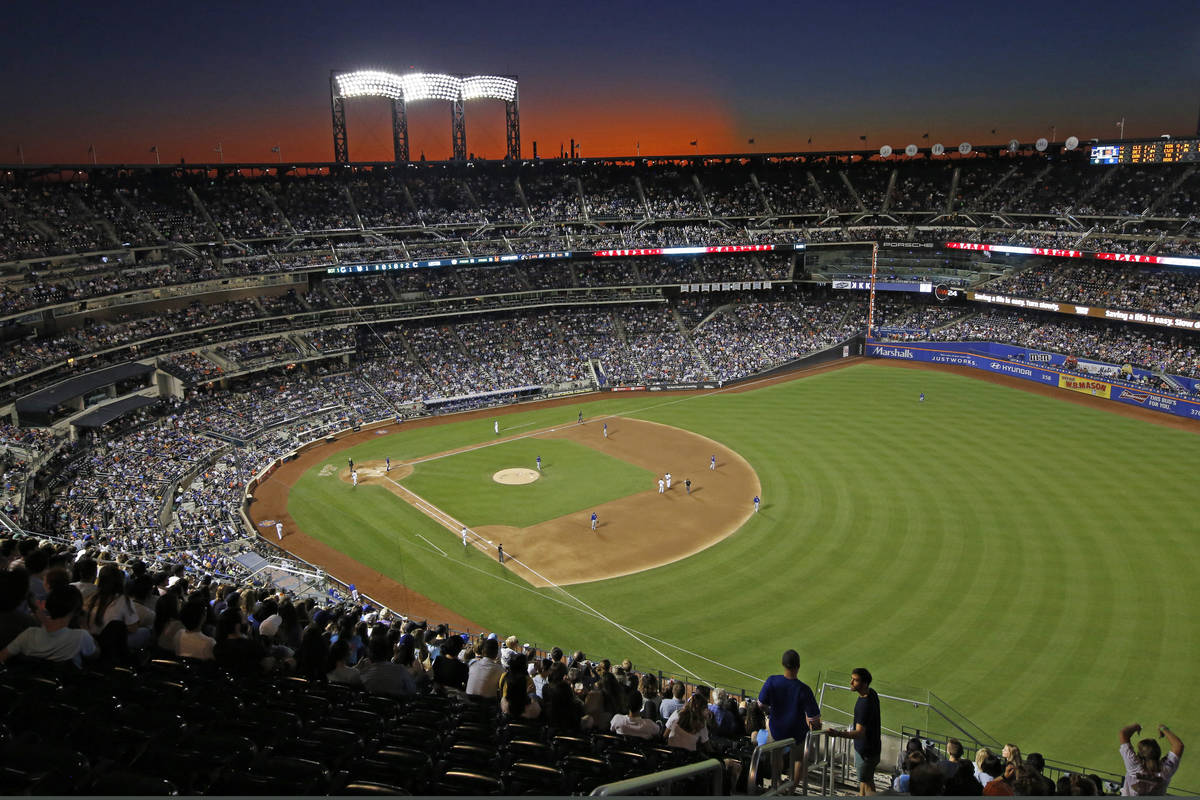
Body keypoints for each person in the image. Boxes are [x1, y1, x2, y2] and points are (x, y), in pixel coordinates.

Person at [758, 649, 821, 781]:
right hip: (797, 734)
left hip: (777, 730)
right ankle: (791, 790)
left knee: (776, 754)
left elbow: (761, 704)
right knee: (800, 759)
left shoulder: (772, 681)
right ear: (798, 666)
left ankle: (776, 784)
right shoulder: (804, 689)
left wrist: (770, 712)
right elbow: (814, 719)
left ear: (783, 664)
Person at [0, 585, 95, 668]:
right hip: (66, 686)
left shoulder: (28, 635)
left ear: (48, 605)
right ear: (76, 611)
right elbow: (94, 655)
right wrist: (84, 625)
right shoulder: (81, 637)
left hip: (28, 686)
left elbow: (2, 656)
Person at [827, 667, 881, 795]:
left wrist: (838, 733)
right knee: (865, 781)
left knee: (868, 786)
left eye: (855, 680)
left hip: (866, 753)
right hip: (872, 749)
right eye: (851, 678)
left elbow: (859, 733)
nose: (851, 682)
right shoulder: (872, 693)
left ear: (864, 683)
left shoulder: (864, 705)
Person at [1119, 722, 1183, 795]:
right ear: (1158, 753)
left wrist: (1136, 726)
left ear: (1140, 754)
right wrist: (1163, 728)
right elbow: (1178, 745)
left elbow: (1123, 734)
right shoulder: (1165, 770)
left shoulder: (1134, 766)